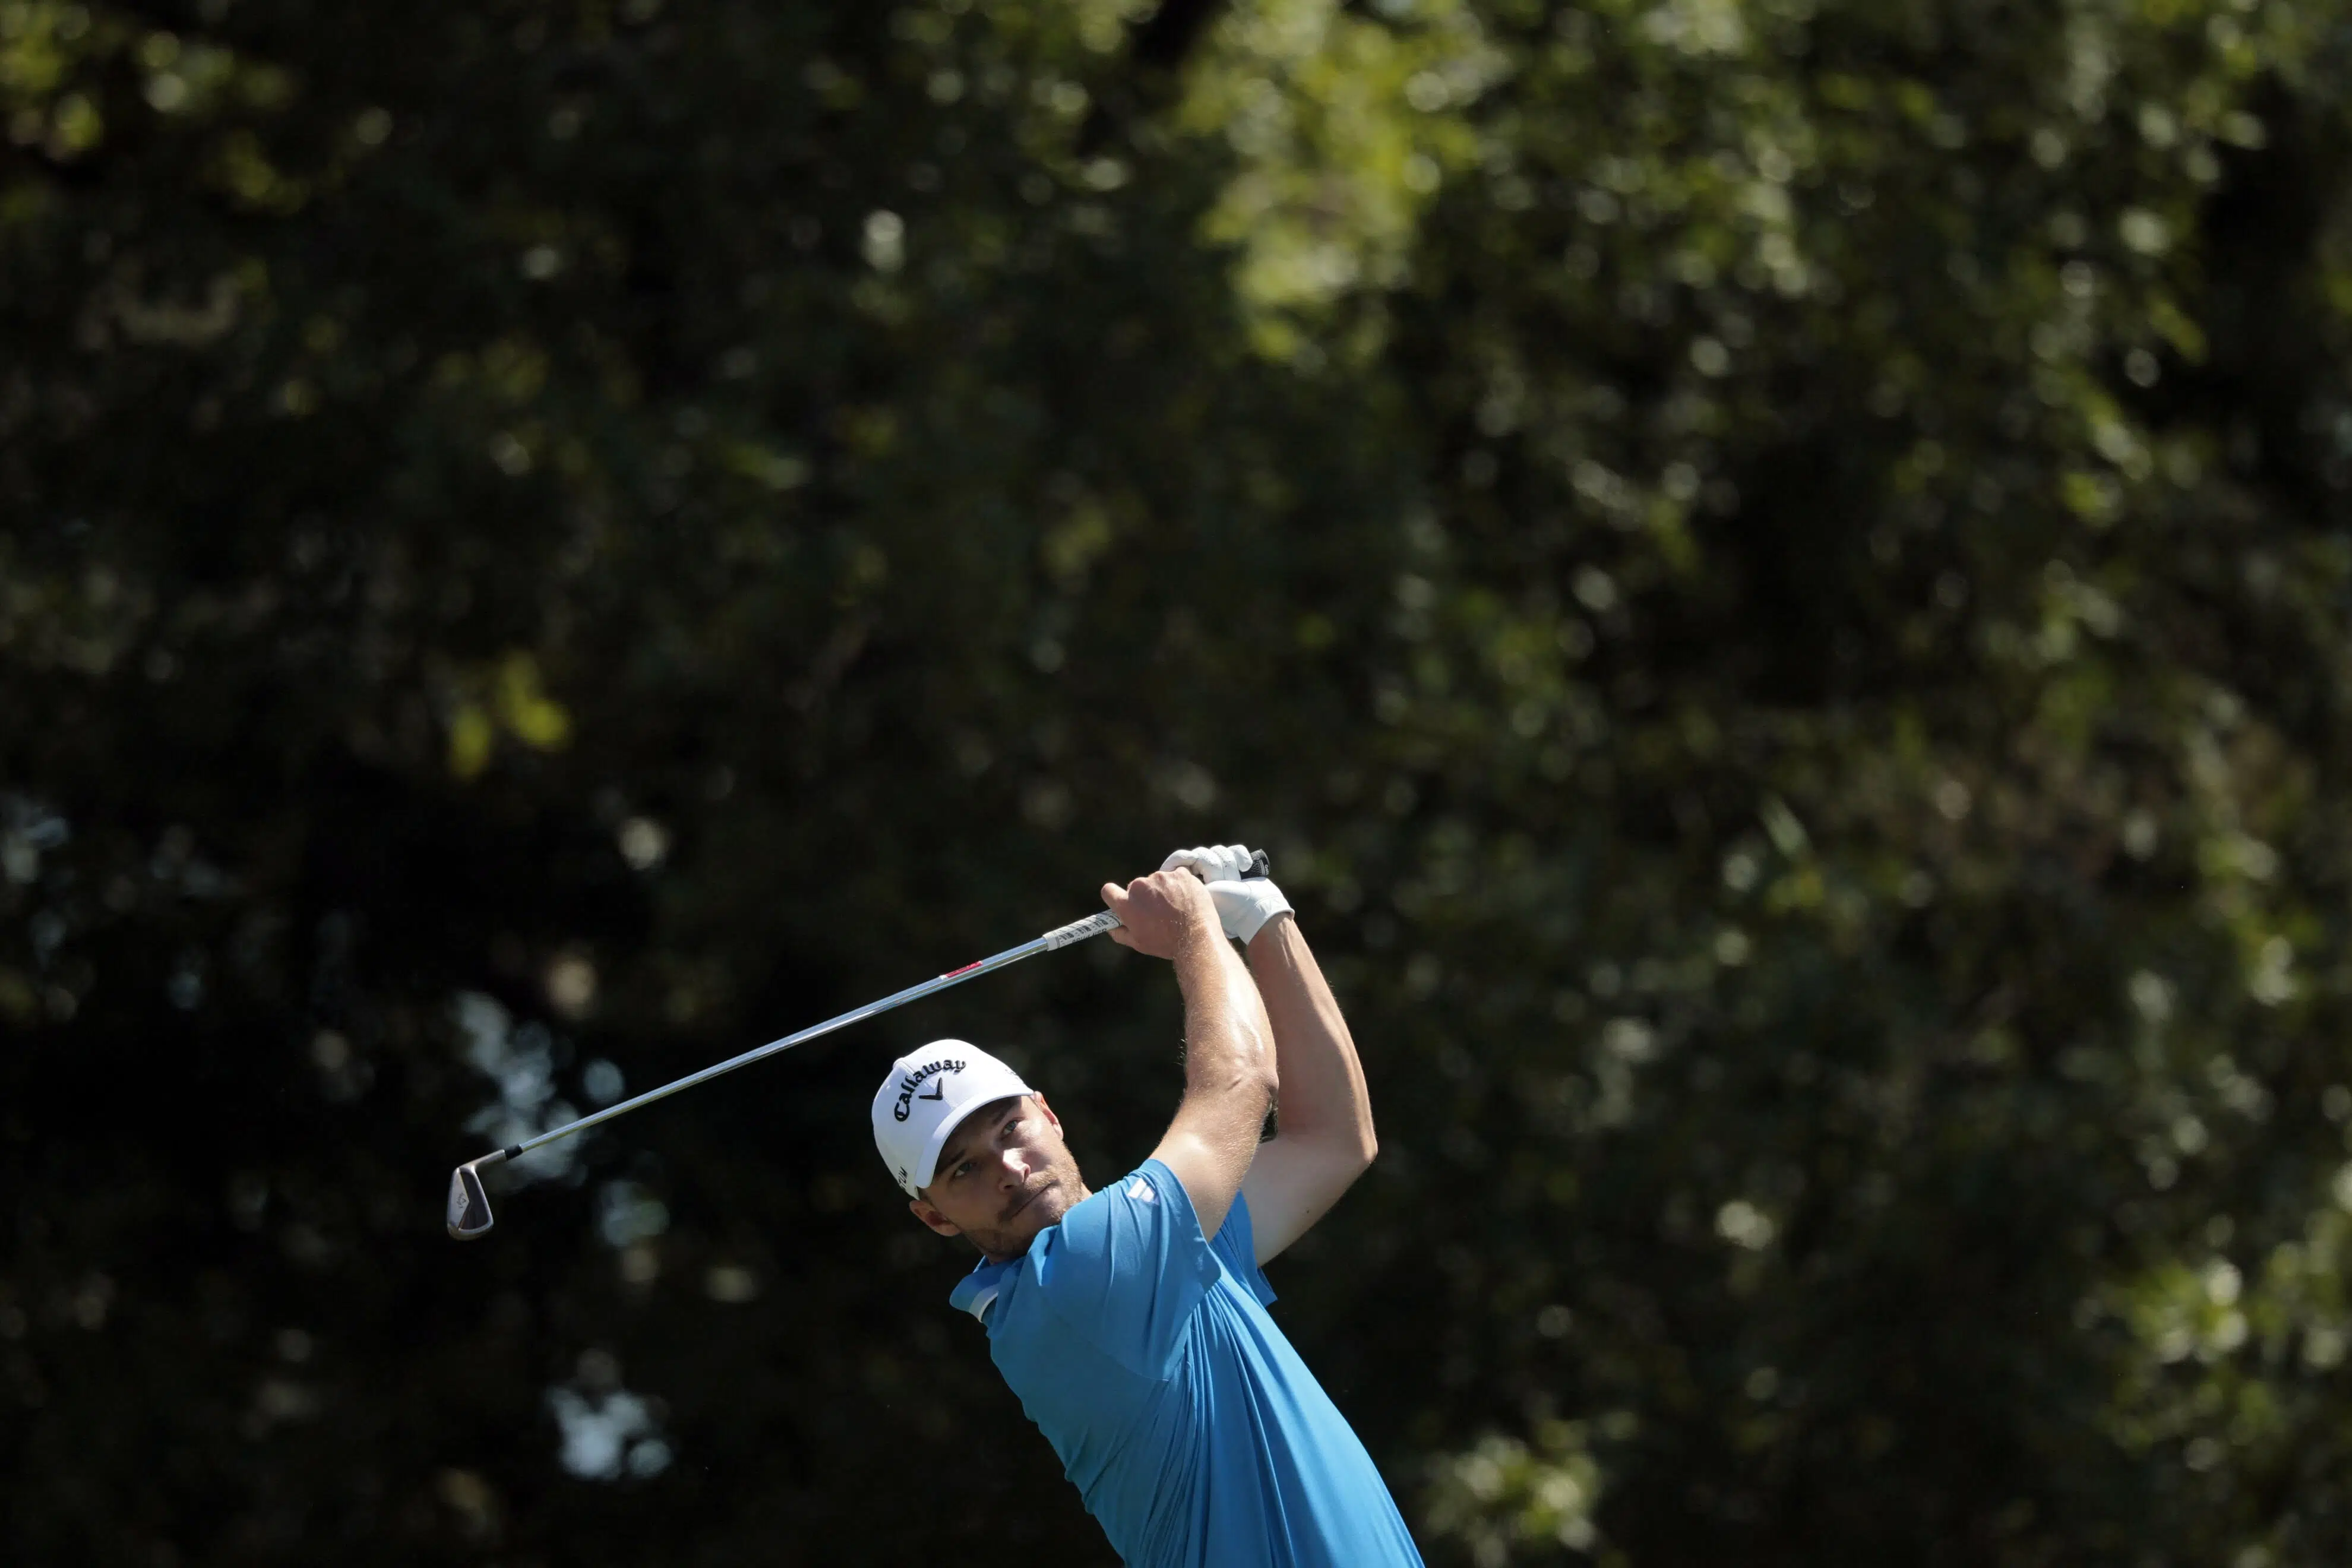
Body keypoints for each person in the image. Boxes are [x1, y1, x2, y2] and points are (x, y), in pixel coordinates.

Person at [869, 845, 1424, 1567]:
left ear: (1049, 1114)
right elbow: (1239, 1082)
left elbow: (1333, 1141)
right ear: (936, 1217)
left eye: (1011, 1128)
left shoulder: (1164, 1256)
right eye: (964, 1168)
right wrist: (1196, 928)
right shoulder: (1075, 1282)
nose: (1009, 1167)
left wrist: (1264, 920)